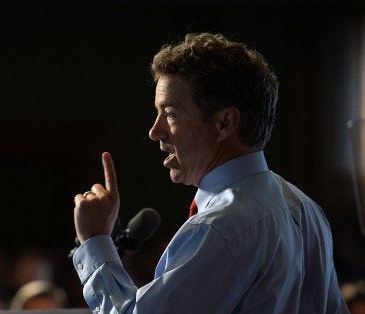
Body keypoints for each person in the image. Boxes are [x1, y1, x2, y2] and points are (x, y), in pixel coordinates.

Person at [71, 32, 349, 313]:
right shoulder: (306, 209)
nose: (155, 131)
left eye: (170, 113)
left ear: (224, 122)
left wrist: (95, 241)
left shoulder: (219, 228)